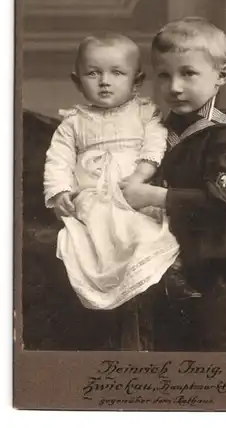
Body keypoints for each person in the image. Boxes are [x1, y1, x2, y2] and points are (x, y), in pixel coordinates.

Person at [120, 17, 226, 351]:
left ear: (222, 76)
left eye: (188, 73)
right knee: (178, 348)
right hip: (184, 260)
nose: (174, 86)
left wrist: (153, 195)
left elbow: (221, 199)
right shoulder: (167, 126)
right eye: (164, 74)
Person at [44, 32, 197, 312]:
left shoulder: (143, 113)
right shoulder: (73, 123)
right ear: (77, 81)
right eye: (93, 73)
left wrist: (141, 173)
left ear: (136, 81)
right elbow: (58, 159)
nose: (104, 81)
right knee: (105, 229)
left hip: (134, 192)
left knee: (145, 232)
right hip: (95, 195)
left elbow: (155, 142)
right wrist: (60, 191)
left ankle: (165, 278)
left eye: (116, 73)